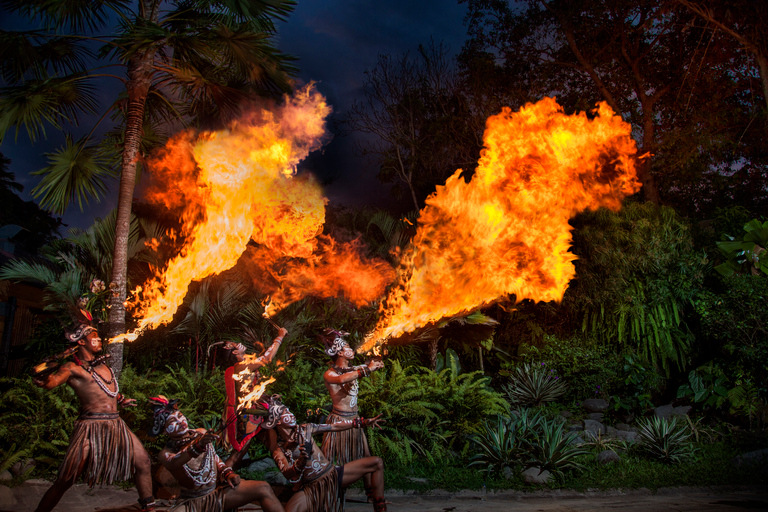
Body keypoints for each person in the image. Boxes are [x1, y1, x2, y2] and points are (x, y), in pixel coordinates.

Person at [32, 312, 155, 512]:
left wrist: (121, 400)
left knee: (143, 461)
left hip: (116, 425)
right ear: (81, 342)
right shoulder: (72, 368)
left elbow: (107, 391)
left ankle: (149, 508)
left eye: (98, 337)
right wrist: (43, 379)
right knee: (66, 479)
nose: (99, 340)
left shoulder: (104, 367)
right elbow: (51, 382)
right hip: (90, 428)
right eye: (94, 338)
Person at [148, 396, 284, 512]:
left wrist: (228, 473)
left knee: (263, 488)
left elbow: (213, 457)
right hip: (191, 503)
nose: (180, 422)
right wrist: (198, 445)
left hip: (216, 495)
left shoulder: (200, 433)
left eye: (179, 416)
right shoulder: (166, 453)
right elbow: (175, 462)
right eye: (173, 422)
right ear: (164, 431)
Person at [259, 394, 388, 512]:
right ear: (278, 421)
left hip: (332, 475)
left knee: (377, 462)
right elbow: (287, 473)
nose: (291, 413)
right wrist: (299, 463)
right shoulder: (279, 450)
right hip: (310, 487)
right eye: (285, 412)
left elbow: (334, 426)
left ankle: (380, 509)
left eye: (289, 410)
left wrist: (361, 422)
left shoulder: (306, 429)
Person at [319, 328, 384, 502]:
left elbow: (364, 368)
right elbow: (342, 379)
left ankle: (371, 495)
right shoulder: (330, 374)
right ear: (340, 352)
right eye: (347, 346)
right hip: (339, 421)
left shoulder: (355, 368)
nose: (351, 349)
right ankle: (325, 490)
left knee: (366, 454)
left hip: (355, 420)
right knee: (331, 458)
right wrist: (367, 369)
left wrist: (376, 363)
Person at [219, 326, 288, 467]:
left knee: (272, 443)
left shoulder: (243, 366)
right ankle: (223, 475)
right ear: (235, 352)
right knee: (238, 453)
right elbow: (267, 358)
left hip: (257, 411)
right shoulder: (241, 367)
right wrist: (279, 337)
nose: (237, 343)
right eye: (234, 345)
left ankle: (289, 471)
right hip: (248, 414)